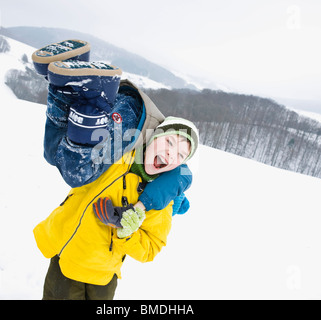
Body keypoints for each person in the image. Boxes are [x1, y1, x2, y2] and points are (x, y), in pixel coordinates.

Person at [32, 40, 199, 299]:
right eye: (168, 142)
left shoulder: (161, 199)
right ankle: (67, 86)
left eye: (180, 154)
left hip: (102, 276)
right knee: (58, 154)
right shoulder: (122, 155)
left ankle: (73, 88)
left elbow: (151, 248)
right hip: (64, 253)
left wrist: (126, 229)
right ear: (152, 138)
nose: (170, 153)